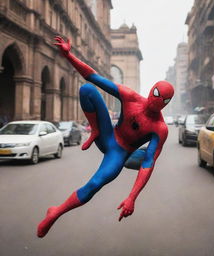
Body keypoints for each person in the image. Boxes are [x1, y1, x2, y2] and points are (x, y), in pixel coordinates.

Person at [37, 36, 174, 238]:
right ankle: (95, 130)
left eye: (164, 100)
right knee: (87, 90)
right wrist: (68, 55)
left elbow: (148, 164)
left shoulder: (159, 128)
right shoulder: (130, 97)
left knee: (94, 185)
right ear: (151, 90)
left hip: (119, 153)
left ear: (167, 103)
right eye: (156, 94)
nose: (157, 102)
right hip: (107, 134)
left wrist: (132, 197)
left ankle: (55, 212)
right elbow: (93, 77)